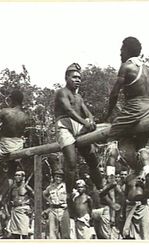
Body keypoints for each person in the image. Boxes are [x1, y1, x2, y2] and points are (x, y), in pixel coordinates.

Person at [104, 37, 149, 176]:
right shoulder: (146, 68)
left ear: (127, 50)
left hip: (136, 106)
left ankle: (110, 175)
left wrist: (108, 114)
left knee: (112, 136)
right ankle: (148, 172)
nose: (120, 53)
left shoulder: (126, 66)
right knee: (141, 145)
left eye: (121, 49)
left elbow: (114, 93)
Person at [54, 63, 103, 207]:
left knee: (92, 158)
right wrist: (85, 123)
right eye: (74, 77)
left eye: (79, 78)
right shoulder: (62, 92)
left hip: (78, 125)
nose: (77, 80)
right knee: (71, 162)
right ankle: (69, 195)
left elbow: (88, 113)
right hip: (65, 125)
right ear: (67, 77)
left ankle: (101, 187)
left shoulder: (79, 97)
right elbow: (68, 111)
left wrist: (91, 121)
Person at [122, 158, 149, 240]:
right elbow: (125, 194)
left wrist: (143, 185)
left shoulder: (148, 176)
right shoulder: (129, 177)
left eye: (139, 162)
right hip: (130, 207)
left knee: (145, 233)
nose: (137, 164)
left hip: (142, 207)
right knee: (129, 234)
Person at [43, 169, 70, 239]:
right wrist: (49, 201)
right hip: (53, 210)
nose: (58, 178)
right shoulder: (50, 187)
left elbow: (73, 194)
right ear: (54, 177)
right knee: (52, 232)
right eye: (56, 176)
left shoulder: (66, 187)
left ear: (62, 178)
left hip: (63, 210)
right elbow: (44, 194)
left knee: (65, 232)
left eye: (60, 177)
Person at [6, 170, 34, 239]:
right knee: (15, 233)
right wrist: (8, 212)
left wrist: (32, 210)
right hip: (15, 211)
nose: (17, 177)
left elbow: (36, 198)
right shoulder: (13, 187)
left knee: (25, 232)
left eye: (19, 175)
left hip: (24, 210)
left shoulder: (27, 187)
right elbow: (8, 200)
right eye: (16, 175)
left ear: (23, 177)